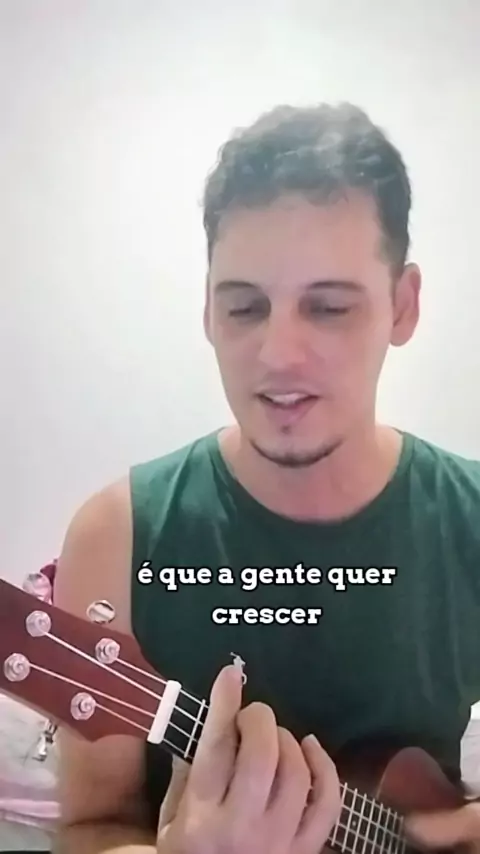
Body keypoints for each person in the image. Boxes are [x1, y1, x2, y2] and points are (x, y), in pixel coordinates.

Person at [52, 102, 480, 854]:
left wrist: (442, 832)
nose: (278, 355)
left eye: (329, 307)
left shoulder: (469, 518)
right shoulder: (117, 537)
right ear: (207, 311)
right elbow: (90, 827)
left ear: (403, 306)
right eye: (245, 307)